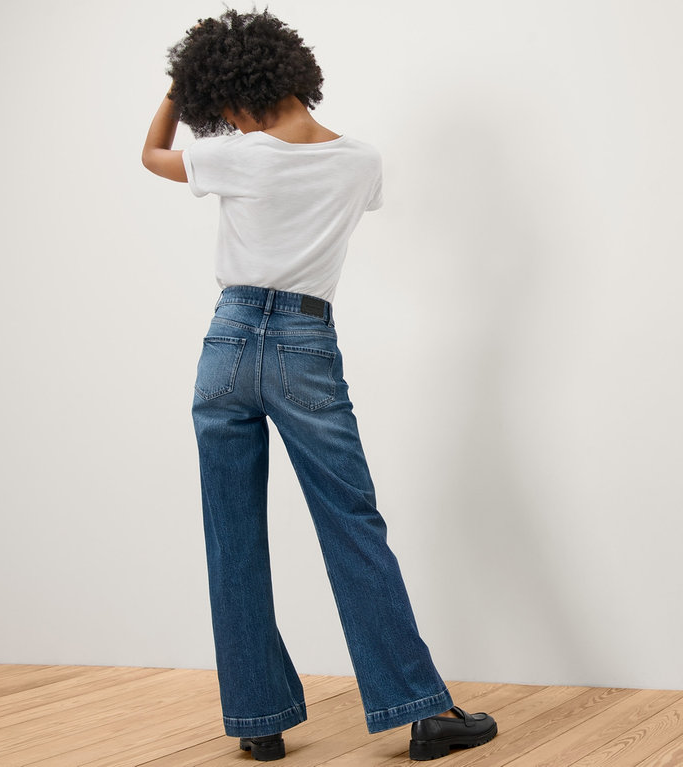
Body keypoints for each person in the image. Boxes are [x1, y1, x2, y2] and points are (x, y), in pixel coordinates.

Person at [141, 9, 497, 762]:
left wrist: (177, 88)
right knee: (353, 524)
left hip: (227, 345)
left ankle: (258, 720)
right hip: (304, 343)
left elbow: (152, 154)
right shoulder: (361, 161)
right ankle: (421, 712)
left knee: (231, 535)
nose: (224, 119)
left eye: (220, 103)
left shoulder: (234, 157)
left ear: (231, 92)